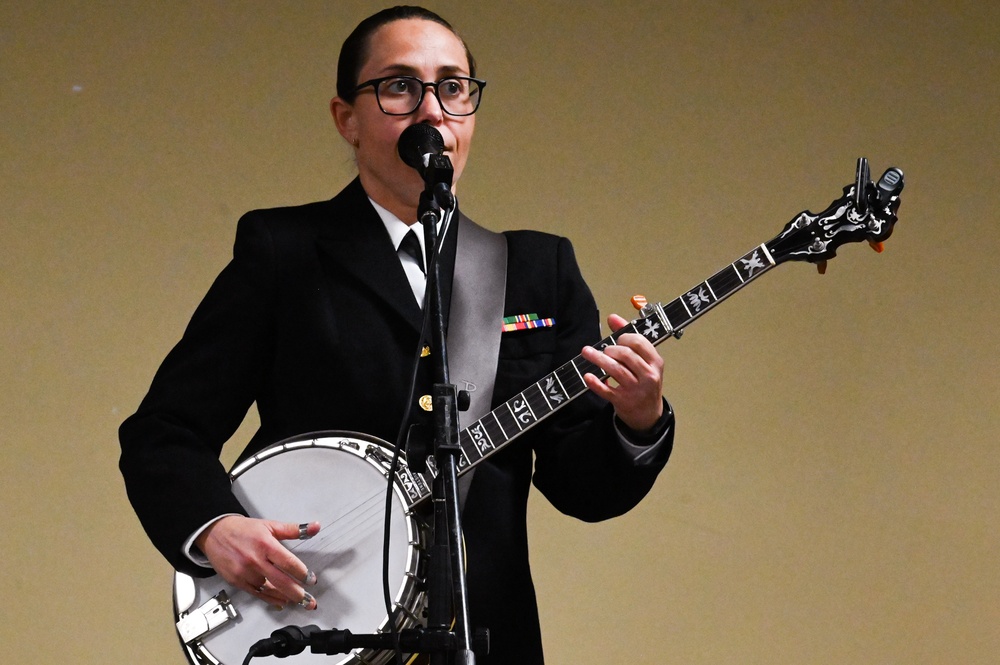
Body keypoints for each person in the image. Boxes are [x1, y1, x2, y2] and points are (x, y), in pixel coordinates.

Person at [119, 6, 674, 664]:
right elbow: (163, 432)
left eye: (453, 86)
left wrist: (638, 421)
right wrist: (214, 527)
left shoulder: (536, 270)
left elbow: (583, 488)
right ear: (346, 119)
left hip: (483, 641)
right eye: (400, 85)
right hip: (317, 632)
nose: (432, 109)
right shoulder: (285, 252)